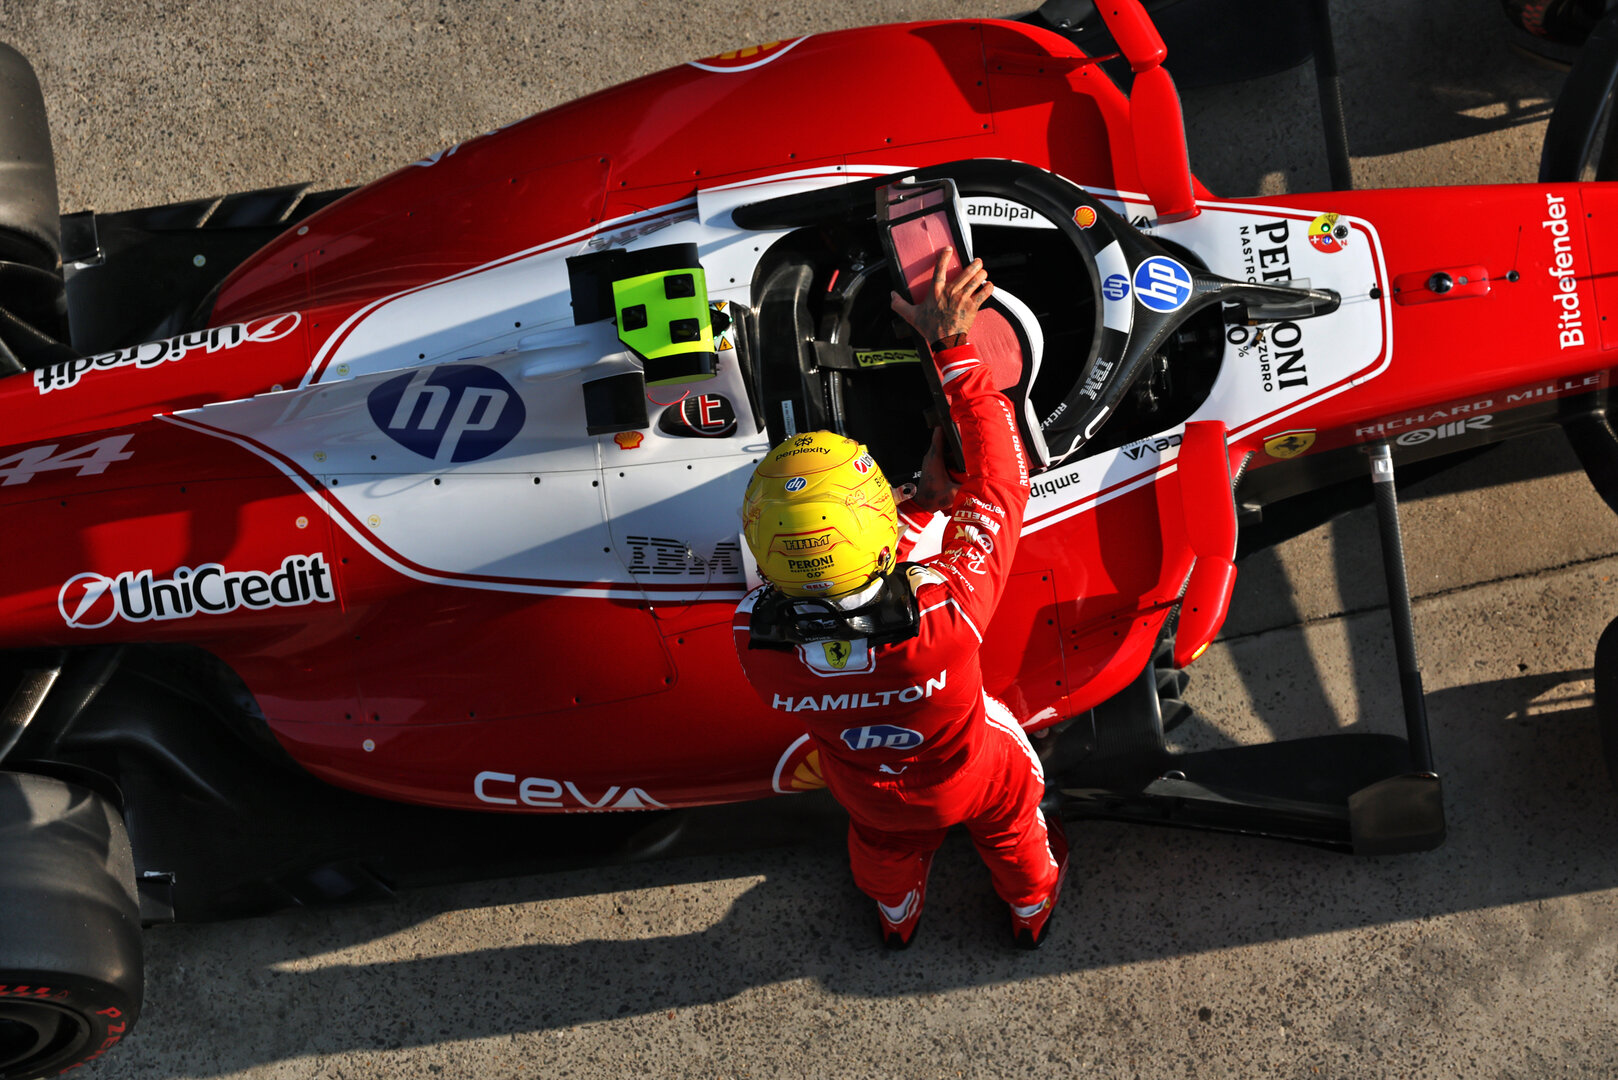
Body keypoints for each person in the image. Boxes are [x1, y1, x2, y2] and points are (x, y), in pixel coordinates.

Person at [732, 249, 1069, 950]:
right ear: (883, 540)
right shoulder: (943, 618)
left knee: (882, 852)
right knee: (1015, 819)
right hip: (968, 774)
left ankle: (896, 916)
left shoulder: (755, 642)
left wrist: (913, 511)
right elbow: (1003, 489)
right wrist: (952, 348)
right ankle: (1032, 907)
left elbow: (829, 589)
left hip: (865, 790)